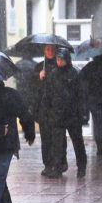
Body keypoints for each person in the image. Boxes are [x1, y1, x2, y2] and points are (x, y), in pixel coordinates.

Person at [46, 47, 88, 178]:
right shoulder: (53, 75)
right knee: (58, 143)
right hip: (57, 114)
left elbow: (82, 95)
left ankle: (81, 166)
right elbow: (48, 94)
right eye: (57, 59)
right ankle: (58, 168)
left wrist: (83, 113)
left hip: (72, 114)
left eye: (61, 59)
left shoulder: (75, 74)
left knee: (77, 141)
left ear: (67, 60)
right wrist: (48, 110)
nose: (59, 62)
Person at [33, 44, 67, 176]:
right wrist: (39, 77)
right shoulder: (39, 67)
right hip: (44, 109)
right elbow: (34, 88)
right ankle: (48, 164)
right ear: (44, 50)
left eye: (52, 49)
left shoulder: (60, 66)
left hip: (57, 109)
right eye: (47, 49)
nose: (50, 51)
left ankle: (60, 163)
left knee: (58, 138)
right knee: (46, 138)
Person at [79, 52, 102, 155]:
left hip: (94, 98)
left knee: (97, 121)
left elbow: (81, 77)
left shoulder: (90, 66)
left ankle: (100, 144)